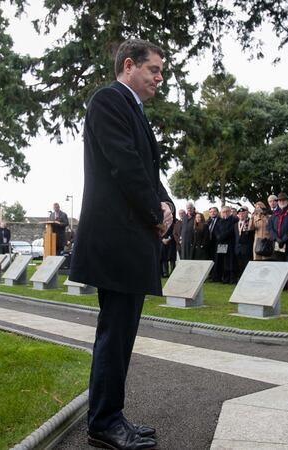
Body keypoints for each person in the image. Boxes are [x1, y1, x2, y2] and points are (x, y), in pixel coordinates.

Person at [69, 38, 173, 450]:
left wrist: (167, 206)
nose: (160, 79)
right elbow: (125, 164)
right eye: (154, 70)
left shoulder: (132, 107)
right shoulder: (109, 101)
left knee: (121, 334)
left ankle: (111, 415)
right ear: (129, 66)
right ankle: (104, 423)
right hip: (118, 239)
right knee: (114, 335)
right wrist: (155, 212)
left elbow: (147, 169)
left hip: (130, 239)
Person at [213, 205, 237, 284]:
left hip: (230, 244)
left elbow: (231, 231)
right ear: (221, 213)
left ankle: (232, 279)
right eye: (223, 212)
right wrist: (219, 237)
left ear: (230, 212)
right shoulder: (220, 221)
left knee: (231, 262)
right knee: (223, 262)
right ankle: (225, 278)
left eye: (227, 211)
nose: (225, 213)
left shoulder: (234, 220)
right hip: (221, 244)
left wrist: (222, 237)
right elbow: (216, 231)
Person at [234, 207, 253, 280]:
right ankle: (240, 278)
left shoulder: (249, 223)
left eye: (243, 213)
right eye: (239, 213)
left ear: (246, 214)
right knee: (239, 265)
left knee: (246, 264)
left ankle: (247, 279)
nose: (241, 215)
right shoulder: (236, 224)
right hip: (238, 248)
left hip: (246, 248)